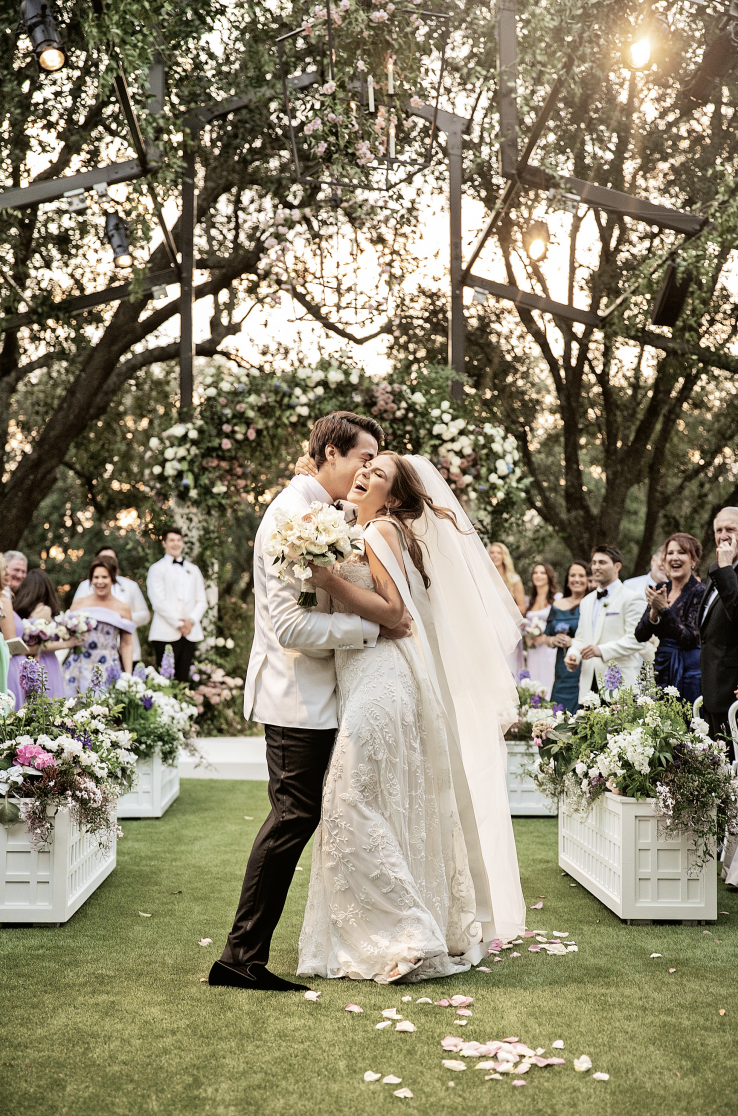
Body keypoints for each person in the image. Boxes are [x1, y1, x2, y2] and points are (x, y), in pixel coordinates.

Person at [296, 451, 524, 985]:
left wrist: (327, 579)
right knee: (383, 801)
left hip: (380, 677)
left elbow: (395, 614)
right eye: (365, 467)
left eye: (378, 475)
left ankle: (411, 931)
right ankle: (406, 925)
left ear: (394, 497)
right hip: (368, 675)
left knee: (348, 800)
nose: (364, 475)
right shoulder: (369, 528)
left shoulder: (379, 530)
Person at [564, 545, 644, 701]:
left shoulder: (632, 598)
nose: (596, 567)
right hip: (589, 686)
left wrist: (600, 650)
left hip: (620, 686)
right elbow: (580, 638)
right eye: (593, 563)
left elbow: (636, 640)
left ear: (617, 566)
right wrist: (573, 655)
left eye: (602, 562)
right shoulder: (586, 601)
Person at [634, 534, 705, 705]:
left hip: (687, 669)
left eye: (681, 552)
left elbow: (689, 638)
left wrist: (664, 609)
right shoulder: (660, 588)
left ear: (693, 560)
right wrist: (654, 612)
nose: (674, 557)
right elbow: (640, 635)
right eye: (670, 553)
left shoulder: (699, 591)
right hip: (662, 665)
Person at [697, 507, 738, 752]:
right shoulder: (717, 571)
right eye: (719, 530)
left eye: (731, 529)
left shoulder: (724, 570)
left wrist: (725, 568)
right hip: (713, 690)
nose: (723, 535)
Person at [63, 556, 135, 694]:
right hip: (78, 665)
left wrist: (128, 675)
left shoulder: (122, 608)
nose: (99, 582)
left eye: (104, 577)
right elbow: (66, 635)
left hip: (107, 665)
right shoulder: (79, 603)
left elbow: (126, 644)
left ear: (112, 579)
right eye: (96, 577)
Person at [6, 570, 76, 709]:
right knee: (47, 704)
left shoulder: (17, 610)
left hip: (24, 662)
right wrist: (69, 643)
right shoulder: (45, 610)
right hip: (46, 663)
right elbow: (41, 646)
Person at [147, 527, 208, 683]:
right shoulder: (156, 569)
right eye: (172, 540)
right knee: (165, 680)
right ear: (164, 543)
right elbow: (158, 601)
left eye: (179, 540)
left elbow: (202, 600)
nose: (176, 543)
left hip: (189, 632)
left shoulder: (193, 570)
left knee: (183, 680)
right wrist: (179, 623)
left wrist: (191, 621)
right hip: (164, 633)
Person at [73, 546, 150, 662]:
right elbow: (73, 617)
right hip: (89, 653)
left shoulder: (131, 586)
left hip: (127, 650)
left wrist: (119, 620)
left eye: (111, 559)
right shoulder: (85, 586)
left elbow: (145, 615)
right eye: (103, 558)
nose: (107, 561)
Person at [544, 561, 590, 713]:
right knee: (558, 709)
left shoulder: (592, 603)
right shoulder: (557, 604)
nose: (576, 579)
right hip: (562, 666)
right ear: (567, 580)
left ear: (588, 579)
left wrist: (574, 642)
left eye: (581, 575)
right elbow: (546, 637)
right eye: (572, 575)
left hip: (585, 663)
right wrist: (553, 640)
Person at [488, 542, 526, 682]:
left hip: (508, 630)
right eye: (492, 552)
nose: (495, 555)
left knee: (507, 664)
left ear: (504, 556)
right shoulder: (484, 578)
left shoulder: (514, 580)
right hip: (489, 628)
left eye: (498, 552)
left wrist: (500, 609)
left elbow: (522, 608)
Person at [524, 561, 561, 697]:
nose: (538, 575)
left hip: (548, 648)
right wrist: (527, 637)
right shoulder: (530, 601)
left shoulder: (557, 598)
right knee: (534, 682)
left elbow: (559, 623)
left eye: (542, 573)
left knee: (548, 680)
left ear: (549, 577)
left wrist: (543, 637)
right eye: (535, 572)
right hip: (533, 651)